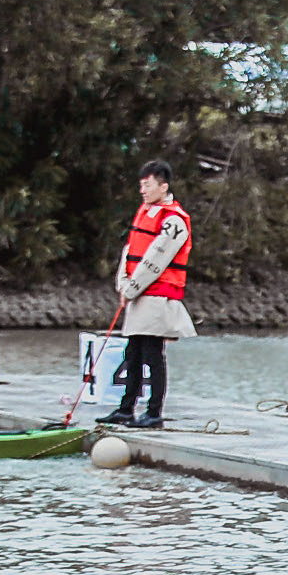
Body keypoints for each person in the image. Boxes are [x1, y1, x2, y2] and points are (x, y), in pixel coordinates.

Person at [99, 158, 195, 430]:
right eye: (141, 185)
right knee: (133, 352)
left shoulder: (174, 220)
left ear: (163, 186)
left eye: (148, 185)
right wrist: (123, 284)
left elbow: (157, 258)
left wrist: (132, 287)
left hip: (157, 295)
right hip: (137, 293)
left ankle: (154, 413)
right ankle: (126, 409)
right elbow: (130, 250)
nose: (143, 190)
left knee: (153, 353)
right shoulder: (145, 212)